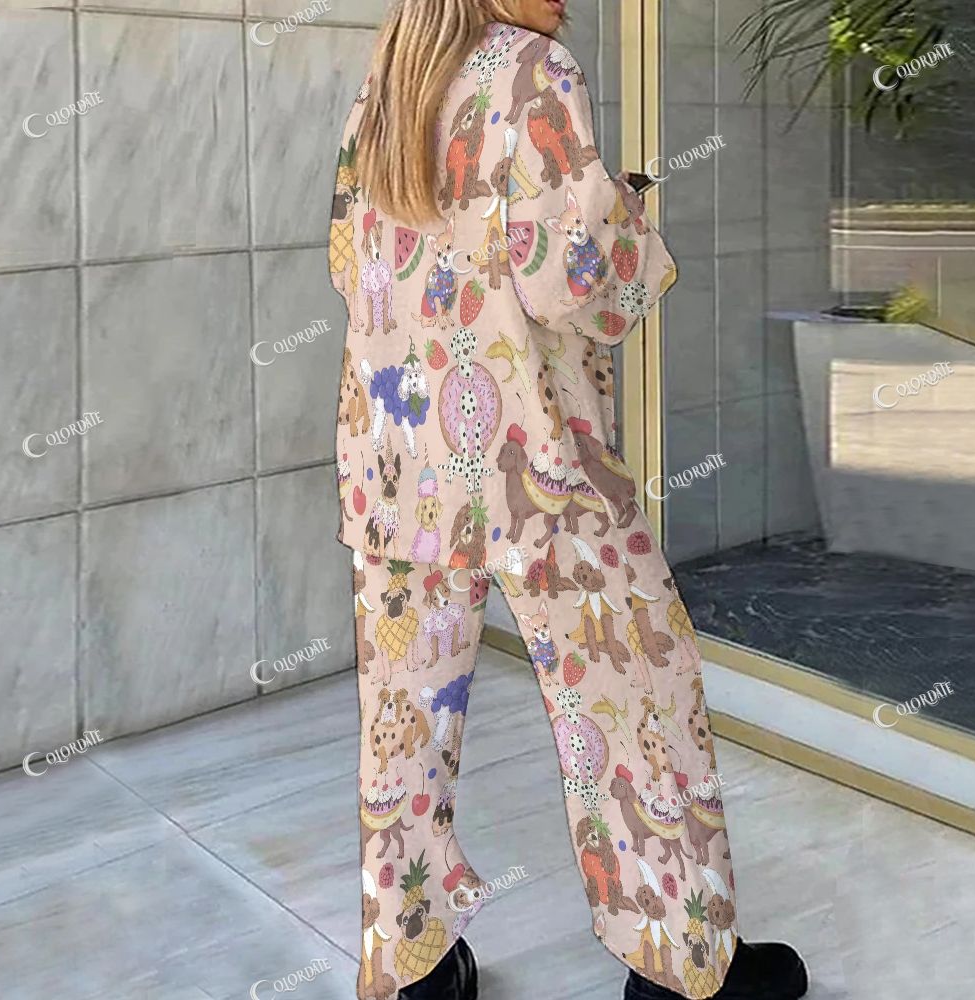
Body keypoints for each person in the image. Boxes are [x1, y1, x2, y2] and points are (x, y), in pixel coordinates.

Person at [329, 2, 809, 998]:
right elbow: (573, 281)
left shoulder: (389, 77)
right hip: (535, 466)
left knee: (405, 722)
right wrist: (628, 219)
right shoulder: (534, 69)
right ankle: (681, 966)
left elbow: (348, 260)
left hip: (394, 458)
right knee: (638, 697)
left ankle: (413, 964)